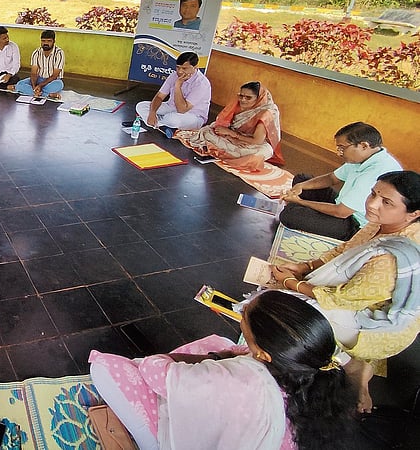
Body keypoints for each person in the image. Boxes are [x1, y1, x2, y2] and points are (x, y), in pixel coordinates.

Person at [90, 290, 356, 450]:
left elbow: (155, 371)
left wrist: (162, 360)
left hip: (190, 439)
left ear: (263, 354)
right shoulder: (318, 372)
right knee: (219, 343)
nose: (241, 323)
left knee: (105, 368)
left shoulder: (243, 378)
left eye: (245, 326)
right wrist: (226, 355)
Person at [272, 170, 420, 413]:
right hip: (363, 301)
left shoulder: (394, 256)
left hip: (377, 324)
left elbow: (344, 298)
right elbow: (344, 250)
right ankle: (358, 367)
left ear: (414, 214)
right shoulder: (381, 223)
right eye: (373, 194)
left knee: (292, 315)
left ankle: (351, 361)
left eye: (386, 202)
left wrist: (292, 283)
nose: (371, 204)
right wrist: (303, 267)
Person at [279, 122, 402, 240]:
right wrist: (301, 186)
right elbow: (331, 178)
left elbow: (341, 212)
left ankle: (305, 212)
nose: (339, 153)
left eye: (342, 148)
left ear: (364, 146)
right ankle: (306, 210)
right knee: (302, 179)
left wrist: (301, 202)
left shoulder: (376, 172)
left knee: (289, 215)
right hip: (342, 204)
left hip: (354, 224)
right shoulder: (365, 157)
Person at [175, 81, 284, 171]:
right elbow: (223, 122)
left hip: (255, 144)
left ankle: (226, 152)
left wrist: (233, 135)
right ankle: (225, 150)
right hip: (234, 136)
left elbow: (257, 141)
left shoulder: (266, 113)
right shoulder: (238, 102)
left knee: (257, 154)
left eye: (248, 98)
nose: (243, 100)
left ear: (259, 99)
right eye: (241, 96)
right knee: (207, 131)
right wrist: (228, 134)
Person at [134, 52, 211, 133]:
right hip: (171, 108)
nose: (180, 71)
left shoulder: (201, 83)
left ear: (195, 67)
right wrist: (152, 113)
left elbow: (182, 109)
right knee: (141, 106)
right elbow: (159, 96)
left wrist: (177, 86)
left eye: (184, 68)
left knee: (171, 119)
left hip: (193, 116)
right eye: (178, 68)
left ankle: (156, 123)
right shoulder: (174, 75)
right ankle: (162, 125)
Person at [14, 29, 65, 99]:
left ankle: (36, 93)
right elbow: (33, 74)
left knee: (59, 84)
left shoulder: (59, 53)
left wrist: (40, 86)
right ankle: (47, 94)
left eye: (49, 41)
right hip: (39, 79)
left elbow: (54, 76)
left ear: (54, 41)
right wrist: (34, 86)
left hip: (53, 81)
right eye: (43, 41)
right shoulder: (36, 53)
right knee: (20, 84)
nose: (46, 43)